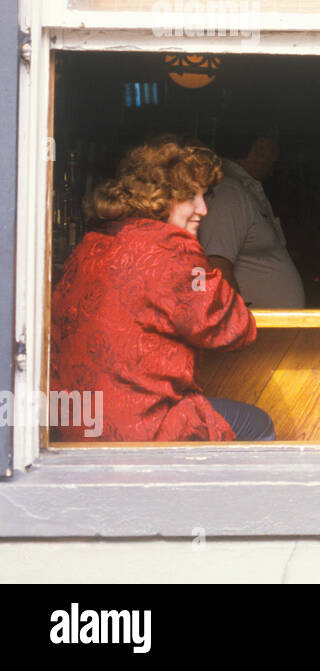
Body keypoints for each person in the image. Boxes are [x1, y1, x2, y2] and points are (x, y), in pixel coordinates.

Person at [50, 135, 274, 441]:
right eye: (191, 197)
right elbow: (231, 326)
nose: (203, 209)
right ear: (159, 197)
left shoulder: (94, 241)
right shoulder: (171, 247)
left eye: (205, 195)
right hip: (142, 426)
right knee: (259, 425)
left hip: (76, 427)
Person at [198, 130, 306, 309]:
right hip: (251, 333)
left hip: (269, 332)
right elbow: (215, 266)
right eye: (275, 148)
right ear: (261, 147)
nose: (276, 157)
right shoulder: (228, 193)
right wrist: (236, 326)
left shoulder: (245, 190)